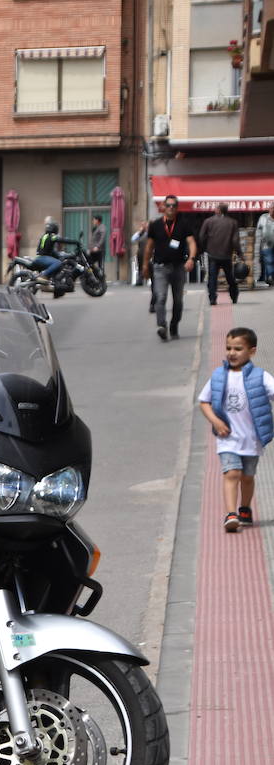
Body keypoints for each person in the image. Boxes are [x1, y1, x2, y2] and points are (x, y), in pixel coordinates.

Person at [198, 327, 273, 532]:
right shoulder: (219, 376)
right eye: (229, 348)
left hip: (252, 439)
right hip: (227, 438)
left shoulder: (261, 376)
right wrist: (215, 421)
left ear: (252, 351)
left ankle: (245, 508)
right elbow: (204, 402)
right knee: (232, 473)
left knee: (247, 477)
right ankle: (231, 514)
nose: (232, 353)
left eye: (238, 348)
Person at [143, 195, 198, 341]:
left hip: (178, 268)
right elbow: (149, 247)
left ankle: (174, 326)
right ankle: (162, 325)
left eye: (174, 205)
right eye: (168, 205)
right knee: (160, 298)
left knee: (178, 300)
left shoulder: (183, 224)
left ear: (177, 207)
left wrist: (191, 259)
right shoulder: (155, 225)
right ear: (163, 207)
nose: (171, 208)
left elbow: (191, 242)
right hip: (160, 267)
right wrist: (144, 264)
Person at [199, 203, 244, 306]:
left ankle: (212, 298)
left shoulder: (208, 221)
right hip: (226, 254)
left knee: (212, 277)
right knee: (230, 277)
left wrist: (206, 248)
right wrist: (239, 253)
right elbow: (235, 240)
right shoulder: (233, 222)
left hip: (212, 254)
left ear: (218, 210)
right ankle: (234, 295)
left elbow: (201, 236)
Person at [30, 218, 64, 284]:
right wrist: (75, 242)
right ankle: (44, 275)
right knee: (58, 263)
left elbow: (52, 249)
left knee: (59, 259)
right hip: (43, 257)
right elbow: (60, 240)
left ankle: (53, 280)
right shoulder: (51, 236)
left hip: (44, 256)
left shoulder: (46, 235)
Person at [257, 204, 274, 288]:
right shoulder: (263, 217)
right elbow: (258, 230)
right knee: (269, 261)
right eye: (272, 208)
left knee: (269, 261)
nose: (273, 210)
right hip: (266, 244)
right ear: (269, 209)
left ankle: (269, 277)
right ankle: (270, 277)